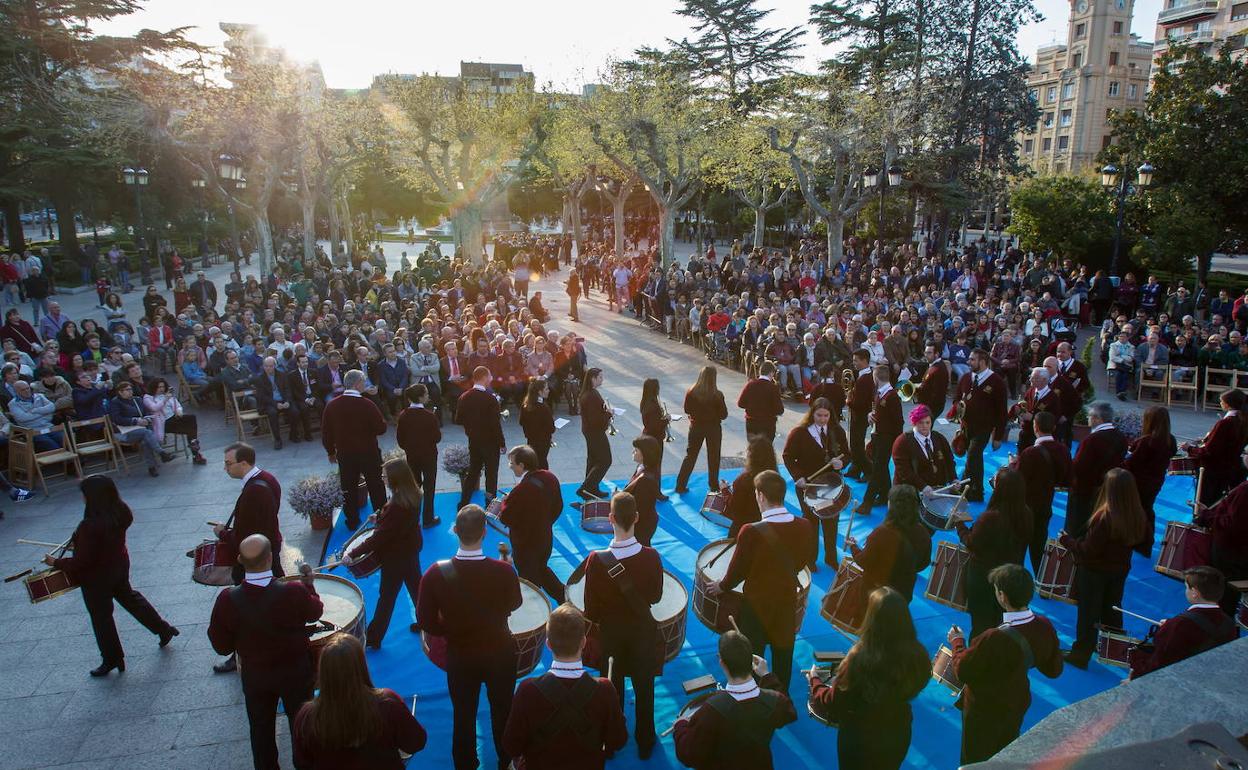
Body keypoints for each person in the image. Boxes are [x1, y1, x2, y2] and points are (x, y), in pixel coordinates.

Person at [416, 504, 523, 770]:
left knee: (463, 715)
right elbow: (515, 603)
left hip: (461, 654)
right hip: (499, 651)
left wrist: (451, 629)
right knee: (503, 712)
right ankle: (506, 762)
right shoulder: (503, 571)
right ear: (485, 532)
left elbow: (425, 621)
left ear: (455, 531)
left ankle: (465, 764)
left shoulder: (434, 574)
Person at [207, 535, 323, 770]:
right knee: (301, 729)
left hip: (256, 677)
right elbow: (315, 611)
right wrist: (309, 584)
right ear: (270, 558)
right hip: (296, 674)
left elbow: (221, 646)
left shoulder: (228, 600)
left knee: (260, 733)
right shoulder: (293, 592)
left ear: (240, 561)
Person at [47, 475, 179, 677]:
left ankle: (112, 657)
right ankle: (163, 628)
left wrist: (55, 562)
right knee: (130, 598)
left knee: (101, 617)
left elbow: (82, 562)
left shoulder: (89, 526)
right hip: (118, 565)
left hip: (96, 576)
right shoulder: (121, 511)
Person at [706, 470, 816, 692]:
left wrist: (721, 586)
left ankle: (753, 699)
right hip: (786, 602)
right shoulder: (805, 526)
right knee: (783, 655)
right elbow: (804, 560)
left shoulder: (750, 532)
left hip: (756, 606)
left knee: (754, 658)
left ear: (761, 496)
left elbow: (737, 571)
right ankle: (781, 701)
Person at [574, 491, 663, 757]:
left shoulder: (596, 560)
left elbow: (590, 609)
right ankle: (645, 741)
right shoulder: (651, 556)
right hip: (642, 632)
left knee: (612, 687)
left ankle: (611, 741)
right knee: (644, 688)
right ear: (636, 517)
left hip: (610, 633)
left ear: (610, 518)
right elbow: (656, 597)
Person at [947, 564, 1063, 765]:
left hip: (984, 711)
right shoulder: (1044, 625)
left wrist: (957, 642)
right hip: (1017, 703)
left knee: (975, 762)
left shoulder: (993, 638)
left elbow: (962, 670)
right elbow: (1053, 670)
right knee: (1005, 758)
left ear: (1002, 596)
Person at [806, 587, 930, 770]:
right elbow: (919, 683)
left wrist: (815, 682)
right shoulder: (918, 654)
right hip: (898, 730)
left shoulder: (859, 658)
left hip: (860, 739)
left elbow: (835, 702)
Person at [502, 604, 628, 768]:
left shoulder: (527, 690)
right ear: (583, 642)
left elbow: (511, 745)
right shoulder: (605, 690)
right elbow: (618, 741)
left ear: (548, 644)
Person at [293, 633, 427, 769]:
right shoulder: (387, 703)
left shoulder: (306, 717)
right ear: (361, 665)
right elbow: (416, 743)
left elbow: (301, 763)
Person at [1060, 468, 1150, 669]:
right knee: (1112, 609)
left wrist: (1067, 541)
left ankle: (1080, 654)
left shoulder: (1105, 517)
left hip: (1094, 571)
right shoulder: (1137, 513)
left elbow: (1088, 550)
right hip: (1120, 569)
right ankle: (1115, 652)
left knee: (1088, 614)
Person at [673, 630, 797, 770]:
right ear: (751, 661)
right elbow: (789, 712)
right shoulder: (774, 701)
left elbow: (689, 755)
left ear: (722, 662)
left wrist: (680, 725)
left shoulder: (712, 710)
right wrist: (767, 676)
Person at [212, 442, 284, 674]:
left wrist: (223, 532)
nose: (226, 469)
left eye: (228, 464)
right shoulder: (269, 478)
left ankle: (241, 655)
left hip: (255, 557)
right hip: (268, 548)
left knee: (247, 608)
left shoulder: (254, 490)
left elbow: (244, 536)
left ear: (243, 463)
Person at [345, 458, 426, 648]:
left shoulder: (397, 505)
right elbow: (395, 521)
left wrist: (352, 554)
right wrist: (380, 516)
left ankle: (373, 637)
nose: (382, 479)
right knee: (417, 590)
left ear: (396, 479)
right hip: (410, 551)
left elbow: (377, 539)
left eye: (385, 476)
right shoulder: (413, 494)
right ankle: (427, 623)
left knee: (387, 596)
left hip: (395, 557)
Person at [957, 468, 1031, 639]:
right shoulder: (1026, 514)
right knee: (1002, 627)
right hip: (1009, 579)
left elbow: (970, 542)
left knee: (980, 628)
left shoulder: (990, 518)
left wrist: (959, 523)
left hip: (983, 581)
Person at [1130, 566, 1239, 680]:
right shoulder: (1229, 623)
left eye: (1187, 587)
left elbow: (1159, 661)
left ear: (1195, 593)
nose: (1185, 591)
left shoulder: (1179, 624)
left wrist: (1133, 677)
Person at [782, 397, 849, 570]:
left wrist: (842, 463)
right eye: (819, 415)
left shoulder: (837, 431)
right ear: (812, 414)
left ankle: (831, 558)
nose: (822, 419)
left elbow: (847, 454)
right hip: (808, 485)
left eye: (826, 416)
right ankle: (810, 560)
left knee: (831, 520)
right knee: (811, 522)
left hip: (831, 485)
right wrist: (798, 477)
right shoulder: (800, 432)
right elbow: (788, 456)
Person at [321, 370, 388, 531]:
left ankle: (352, 520)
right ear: (358, 383)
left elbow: (326, 432)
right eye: (363, 382)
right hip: (368, 452)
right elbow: (381, 428)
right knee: (376, 485)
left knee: (348, 487)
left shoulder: (332, 405)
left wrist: (330, 451)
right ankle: (381, 517)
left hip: (345, 453)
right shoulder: (367, 404)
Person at [499, 444, 566, 603]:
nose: (510, 467)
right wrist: (545, 523)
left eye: (512, 464)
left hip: (526, 546)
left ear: (522, 466)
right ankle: (563, 596)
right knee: (542, 569)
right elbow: (558, 506)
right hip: (545, 539)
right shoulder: (550, 477)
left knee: (530, 585)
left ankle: (536, 616)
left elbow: (506, 517)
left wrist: (504, 502)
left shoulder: (521, 490)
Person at [845, 485, 932, 601]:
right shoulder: (923, 533)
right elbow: (924, 563)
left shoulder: (881, 533)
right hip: (903, 594)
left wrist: (853, 547)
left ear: (891, 505)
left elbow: (864, 561)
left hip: (874, 595)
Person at [1194, 446, 1248, 615]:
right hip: (1240, 554)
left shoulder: (1245, 490)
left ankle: (1223, 630)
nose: (1242, 455)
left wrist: (1207, 517)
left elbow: (1233, 524)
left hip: (1233, 556)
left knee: (1225, 600)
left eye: (1246, 452)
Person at [1017, 411, 1072, 573]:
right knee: (1039, 546)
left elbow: (1018, 480)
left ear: (1035, 427)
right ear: (1054, 427)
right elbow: (1067, 480)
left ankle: (1015, 582)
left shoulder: (1030, 453)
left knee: (1018, 547)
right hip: (1045, 505)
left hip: (1025, 506)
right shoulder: (1063, 450)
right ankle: (1042, 581)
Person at [952, 348, 1008, 502]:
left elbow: (1002, 412)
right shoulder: (965, 378)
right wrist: (958, 407)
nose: (968, 362)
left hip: (983, 428)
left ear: (982, 361)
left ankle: (968, 489)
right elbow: (956, 398)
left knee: (973, 455)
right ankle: (976, 490)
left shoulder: (997, 382)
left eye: (972, 359)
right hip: (965, 427)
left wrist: (998, 437)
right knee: (974, 459)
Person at [1121, 405, 1177, 557]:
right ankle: (1146, 542)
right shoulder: (1170, 440)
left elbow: (1131, 464)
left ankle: (1137, 540)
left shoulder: (1145, 442)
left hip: (1138, 482)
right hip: (1156, 481)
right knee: (1147, 509)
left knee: (1136, 510)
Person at [1067, 401, 1128, 537]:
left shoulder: (1092, 440)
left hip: (1086, 492)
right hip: (1109, 490)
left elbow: (1078, 467)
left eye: (1090, 416)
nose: (1088, 419)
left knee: (1079, 531)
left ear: (1097, 419)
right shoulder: (1121, 437)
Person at [1183, 389, 1248, 506]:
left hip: (1214, 471)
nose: (1220, 403)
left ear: (1227, 404)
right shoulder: (1243, 421)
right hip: (1233, 468)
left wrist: (1189, 448)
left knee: (1206, 503)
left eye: (1221, 401)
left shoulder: (1225, 423)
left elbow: (1209, 451)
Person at [455, 365, 505, 509]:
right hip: (490, 443)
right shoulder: (490, 399)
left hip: (474, 441)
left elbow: (458, 419)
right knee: (491, 475)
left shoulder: (464, 397)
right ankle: (490, 506)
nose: (491, 378)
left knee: (473, 472)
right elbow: (495, 425)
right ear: (484, 378)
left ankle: (463, 502)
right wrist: (502, 442)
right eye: (489, 376)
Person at [675, 366, 728, 494]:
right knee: (714, 457)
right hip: (713, 428)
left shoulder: (691, 392)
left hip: (696, 427)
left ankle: (680, 485)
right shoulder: (717, 394)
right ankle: (713, 485)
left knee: (691, 455)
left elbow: (687, 409)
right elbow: (723, 414)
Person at [857, 365, 903, 515]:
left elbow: (899, 422)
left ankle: (867, 503)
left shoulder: (892, 396)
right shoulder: (880, 393)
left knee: (877, 470)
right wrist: (871, 414)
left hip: (887, 438)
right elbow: (878, 411)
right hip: (878, 435)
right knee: (881, 468)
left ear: (875, 378)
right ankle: (885, 495)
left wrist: (896, 443)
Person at [107, 380, 175, 476]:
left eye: (131, 389)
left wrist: (147, 419)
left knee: (145, 440)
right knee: (146, 433)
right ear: (120, 392)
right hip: (125, 431)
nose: (130, 391)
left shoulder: (137, 399)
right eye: (127, 390)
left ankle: (152, 467)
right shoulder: (115, 402)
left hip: (141, 428)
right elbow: (116, 419)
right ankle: (162, 453)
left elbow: (146, 412)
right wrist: (135, 421)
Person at [396, 384, 441, 528]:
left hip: (412, 456)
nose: (428, 396)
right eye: (426, 393)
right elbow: (437, 438)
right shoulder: (429, 416)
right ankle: (428, 519)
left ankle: (412, 519)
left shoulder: (403, 415)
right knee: (429, 487)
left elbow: (400, 439)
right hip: (429, 456)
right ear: (421, 397)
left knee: (413, 487)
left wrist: (410, 448)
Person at [890, 404, 956, 496]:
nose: (925, 426)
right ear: (914, 423)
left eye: (927, 422)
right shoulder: (902, 442)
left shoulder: (939, 438)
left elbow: (949, 460)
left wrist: (953, 478)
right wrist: (923, 486)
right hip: (909, 492)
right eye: (921, 422)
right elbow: (904, 471)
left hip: (936, 490)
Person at [143, 378, 209, 464]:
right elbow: (154, 408)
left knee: (191, 420)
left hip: (174, 418)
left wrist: (179, 411)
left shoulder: (168, 395)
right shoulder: (148, 398)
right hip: (163, 423)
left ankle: (194, 447)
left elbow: (177, 405)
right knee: (190, 429)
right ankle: (195, 452)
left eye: (163, 387)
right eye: (159, 387)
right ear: (153, 387)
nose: (161, 389)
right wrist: (165, 399)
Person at [724, 437, 778, 539]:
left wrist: (725, 491)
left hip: (744, 530)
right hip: (768, 529)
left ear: (751, 456)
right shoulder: (775, 478)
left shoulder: (743, 480)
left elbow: (734, 510)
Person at [618, 435, 662, 546]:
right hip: (642, 520)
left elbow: (639, 507)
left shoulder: (646, 480)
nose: (633, 452)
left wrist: (620, 500)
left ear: (645, 454)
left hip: (642, 524)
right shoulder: (642, 466)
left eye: (636, 450)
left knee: (641, 550)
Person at [578, 367, 612, 500]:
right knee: (605, 460)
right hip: (595, 432)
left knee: (593, 460)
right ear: (593, 378)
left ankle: (592, 489)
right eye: (600, 377)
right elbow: (595, 419)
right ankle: (585, 487)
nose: (602, 379)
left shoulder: (589, 393)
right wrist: (608, 414)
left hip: (590, 431)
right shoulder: (591, 395)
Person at [254, 356, 299, 450]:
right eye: (266, 366)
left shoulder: (282, 375)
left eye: (270, 366)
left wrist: (287, 401)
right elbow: (262, 396)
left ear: (275, 366)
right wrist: (275, 404)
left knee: (294, 411)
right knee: (273, 413)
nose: (268, 368)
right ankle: (277, 439)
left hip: (283, 400)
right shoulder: (259, 378)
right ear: (263, 366)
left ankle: (293, 434)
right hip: (270, 403)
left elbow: (288, 390)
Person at [1014, 367, 1061, 452]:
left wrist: (1032, 418)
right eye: (1031, 376)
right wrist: (1020, 414)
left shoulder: (1053, 398)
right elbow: (1024, 404)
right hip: (1026, 432)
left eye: (1035, 377)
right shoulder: (1031, 391)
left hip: (1040, 437)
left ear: (1044, 380)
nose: (1031, 379)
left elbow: (1054, 419)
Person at [736, 360, 784, 444]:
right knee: (766, 449)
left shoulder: (750, 385)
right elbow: (779, 410)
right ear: (771, 373)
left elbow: (740, 403)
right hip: (768, 424)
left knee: (753, 450)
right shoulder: (773, 388)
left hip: (751, 422)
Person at [844, 349, 874, 481]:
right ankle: (855, 469)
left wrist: (848, 400)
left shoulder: (864, 379)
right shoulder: (865, 375)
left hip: (860, 416)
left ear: (864, 361)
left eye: (856, 360)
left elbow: (859, 403)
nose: (854, 363)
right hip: (861, 415)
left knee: (857, 447)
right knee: (856, 444)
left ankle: (869, 471)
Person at [638, 377, 671, 480]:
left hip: (649, 436)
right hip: (654, 438)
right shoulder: (652, 405)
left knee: (651, 465)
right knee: (656, 465)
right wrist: (666, 420)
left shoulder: (646, 402)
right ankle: (656, 490)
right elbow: (655, 426)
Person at [519, 378, 555, 470]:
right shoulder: (543, 408)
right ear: (540, 392)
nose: (548, 391)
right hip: (543, 442)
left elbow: (521, 422)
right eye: (546, 389)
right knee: (542, 463)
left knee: (534, 463)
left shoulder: (525, 405)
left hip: (531, 440)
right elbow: (551, 428)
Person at [912, 343, 949, 418]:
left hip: (931, 407)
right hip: (928, 405)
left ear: (936, 354)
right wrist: (918, 386)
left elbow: (937, 393)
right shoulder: (934, 365)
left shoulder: (939, 369)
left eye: (929, 353)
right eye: (925, 352)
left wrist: (926, 409)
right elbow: (928, 383)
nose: (926, 355)